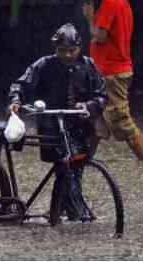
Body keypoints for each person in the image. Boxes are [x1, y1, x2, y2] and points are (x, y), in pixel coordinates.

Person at [8, 23, 108, 219]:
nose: (68, 55)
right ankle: (69, 209)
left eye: (72, 50)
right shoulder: (44, 64)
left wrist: (88, 106)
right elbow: (21, 82)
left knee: (76, 166)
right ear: (55, 49)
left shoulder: (88, 65)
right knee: (65, 165)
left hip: (83, 125)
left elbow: (103, 95)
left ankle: (66, 207)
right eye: (63, 51)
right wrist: (16, 99)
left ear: (79, 48)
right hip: (52, 124)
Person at [81, 0, 143, 161]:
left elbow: (99, 36)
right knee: (95, 117)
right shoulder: (123, 2)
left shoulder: (110, 3)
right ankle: (84, 159)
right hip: (112, 69)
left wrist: (89, 18)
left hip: (112, 71)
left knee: (122, 120)